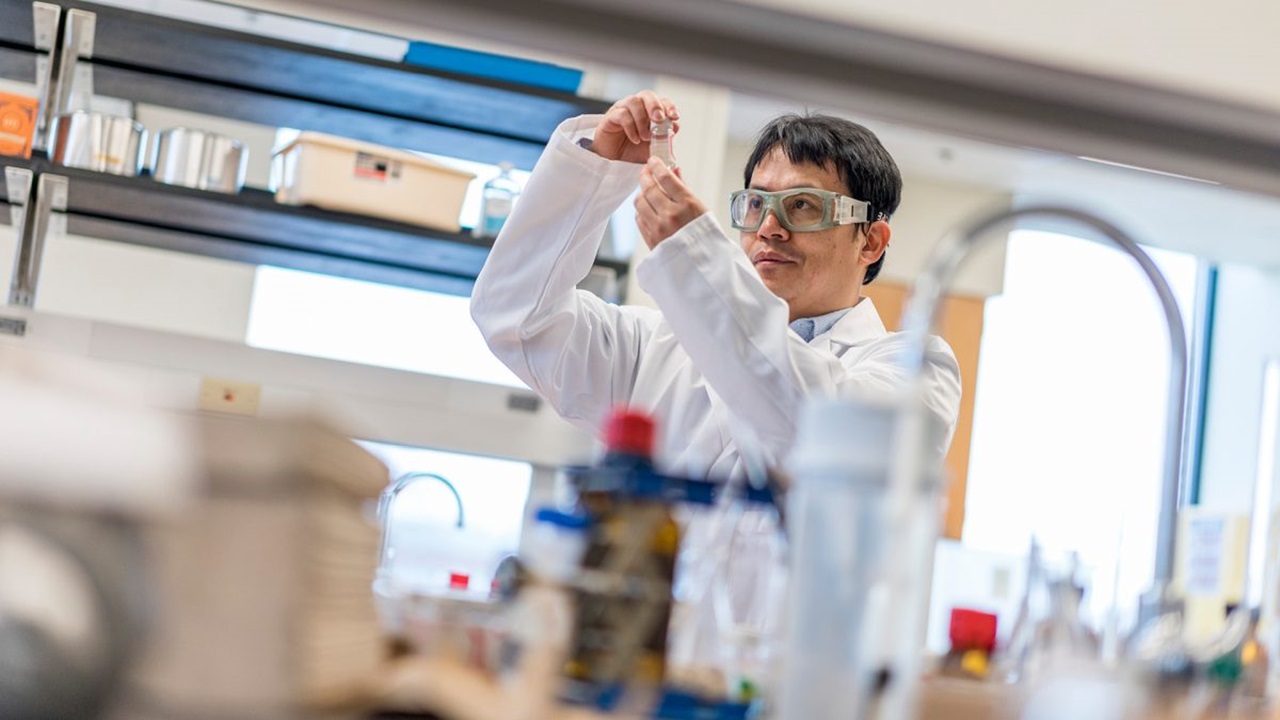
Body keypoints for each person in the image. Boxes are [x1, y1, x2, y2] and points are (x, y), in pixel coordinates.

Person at [470, 90, 961, 478]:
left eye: (804, 205)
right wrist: (598, 169)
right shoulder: (653, 347)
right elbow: (515, 315)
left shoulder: (916, 373)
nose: (769, 227)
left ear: (871, 242)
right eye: (756, 204)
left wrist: (696, 258)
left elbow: (814, 431)